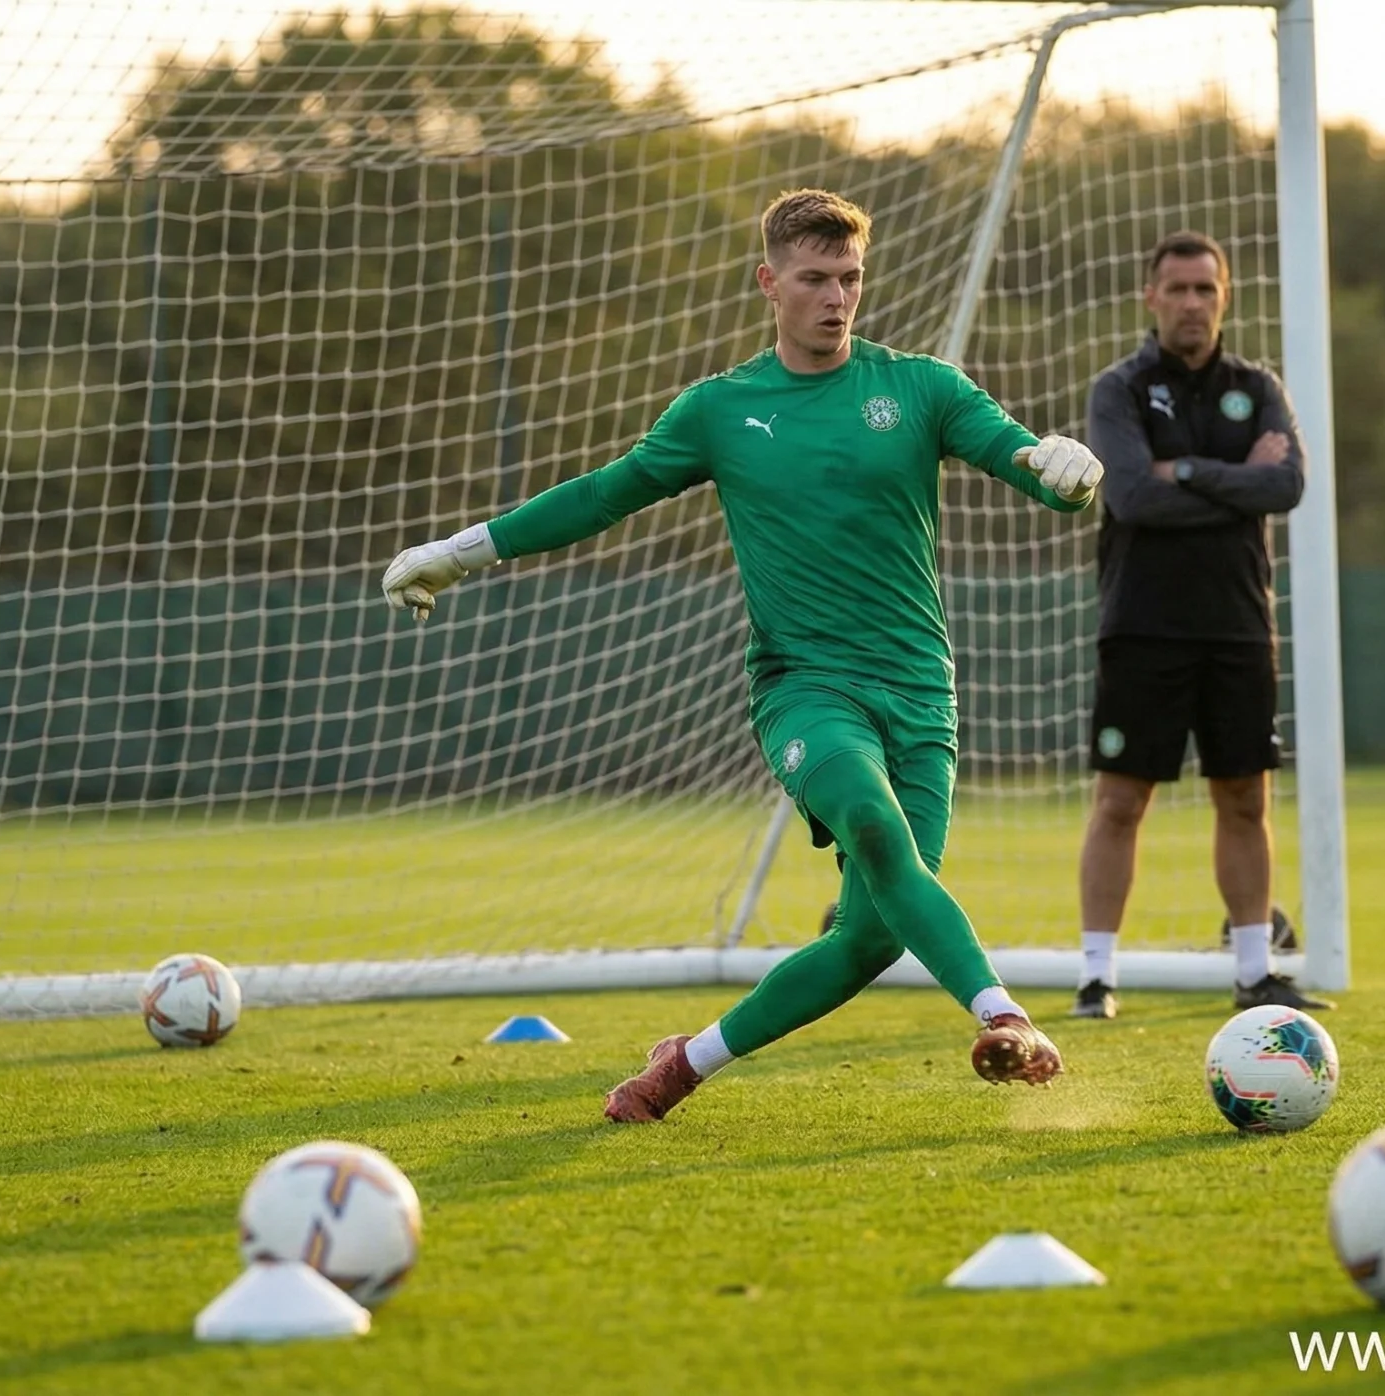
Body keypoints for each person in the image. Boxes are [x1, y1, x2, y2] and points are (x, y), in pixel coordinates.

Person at [381, 189, 1106, 1122]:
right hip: (805, 689)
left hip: (922, 694)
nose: (837, 298)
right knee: (876, 831)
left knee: (868, 941)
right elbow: (603, 493)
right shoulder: (722, 411)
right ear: (769, 283)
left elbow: (1025, 460)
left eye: (849, 278)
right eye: (814, 279)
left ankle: (683, 1064)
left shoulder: (921, 387)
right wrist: (457, 552)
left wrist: (1064, 471)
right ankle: (1003, 1014)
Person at [1070, 230, 1320, 1020]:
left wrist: (1194, 472)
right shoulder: (1120, 389)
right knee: (1120, 802)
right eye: (1176, 289)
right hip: (1142, 624)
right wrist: (1235, 479)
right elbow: (1133, 497)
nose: (1191, 303)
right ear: (1151, 297)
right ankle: (1095, 978)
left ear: (1225, 295)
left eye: (1205, 289)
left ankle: (1255, 972)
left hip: (1239, 623)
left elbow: (1286, 486)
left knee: (1245, 796)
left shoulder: (1257, 384)